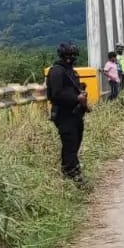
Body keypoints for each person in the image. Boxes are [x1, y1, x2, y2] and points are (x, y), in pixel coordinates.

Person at [46, 43, 90, 184]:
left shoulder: (70, 71)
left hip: (75, 113)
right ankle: (72, 174)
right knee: (70, 143)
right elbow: (56, 94)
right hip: (64, 114)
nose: (72, 58)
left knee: (75, 141)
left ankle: (70, 171)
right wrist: (76, 98)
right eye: (70, 56)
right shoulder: (57, 71)